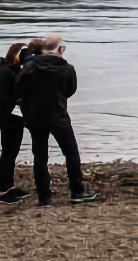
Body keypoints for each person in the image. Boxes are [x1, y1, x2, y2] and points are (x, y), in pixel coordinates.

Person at [15, 33, 98, 206]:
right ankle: (77, 191)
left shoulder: (29, 68)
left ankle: (44, 197)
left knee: (40, 156)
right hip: (58, 115)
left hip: (35, 116)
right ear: (60, 50)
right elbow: (70, 90)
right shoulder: (67, 68)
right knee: (71, 153)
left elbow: (19, 89)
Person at [0, 40, 36, 203]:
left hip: (15, 116)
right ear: (14, 53)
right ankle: (4, 191)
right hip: (9, 116)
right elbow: (7, 97)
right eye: (23, 53)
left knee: (12, 152)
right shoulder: (4, 72)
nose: (26, 56)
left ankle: (9, 186)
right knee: (8, 153)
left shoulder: (13, 70)